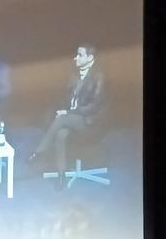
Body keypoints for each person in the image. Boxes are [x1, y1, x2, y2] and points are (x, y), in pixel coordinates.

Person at [29, 44, 107, 188]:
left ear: (90, 58)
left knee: (62, 119)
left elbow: (93, 106)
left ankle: (39, 152)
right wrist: (62, 110)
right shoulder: (74, 76)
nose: (75, 58)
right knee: (61, 134)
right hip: (72, 121)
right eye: (76, 54)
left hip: (90, 123)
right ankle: (61, 176)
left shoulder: (98, 77)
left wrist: (68, 113)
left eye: (80, 55)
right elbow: (66, 99)